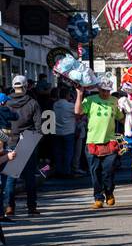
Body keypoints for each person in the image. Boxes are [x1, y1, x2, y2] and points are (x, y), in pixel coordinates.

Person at [75, 77, 122, 208]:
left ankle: (109, 192)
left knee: (108, 171)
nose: (105, 93)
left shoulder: (114, 101)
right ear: (98, 89)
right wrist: (79, 94)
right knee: (95, 171)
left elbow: (121, 117)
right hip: (93, 141)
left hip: (110, 141)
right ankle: (98, 197)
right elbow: (78, 111)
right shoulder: (91, 100)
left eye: (108, 91)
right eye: (103, 90)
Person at [2, 75, 43, 218]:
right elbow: (39, 126)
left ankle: (9, 207)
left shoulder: (5, 103)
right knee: (29, 177)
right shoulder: (32, 103)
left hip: (9, 139)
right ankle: (31, 207)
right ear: (25, 87)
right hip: (28, 139)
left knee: (10, 176)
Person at [52, 87, 76, 178]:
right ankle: (67, 171)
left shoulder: (55, 104)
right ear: (67, 95)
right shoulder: (70, 106)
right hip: (68, 131)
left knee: (58, 152)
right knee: (68, 152)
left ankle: (59, 170)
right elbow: (77, 113)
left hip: (57, 131)